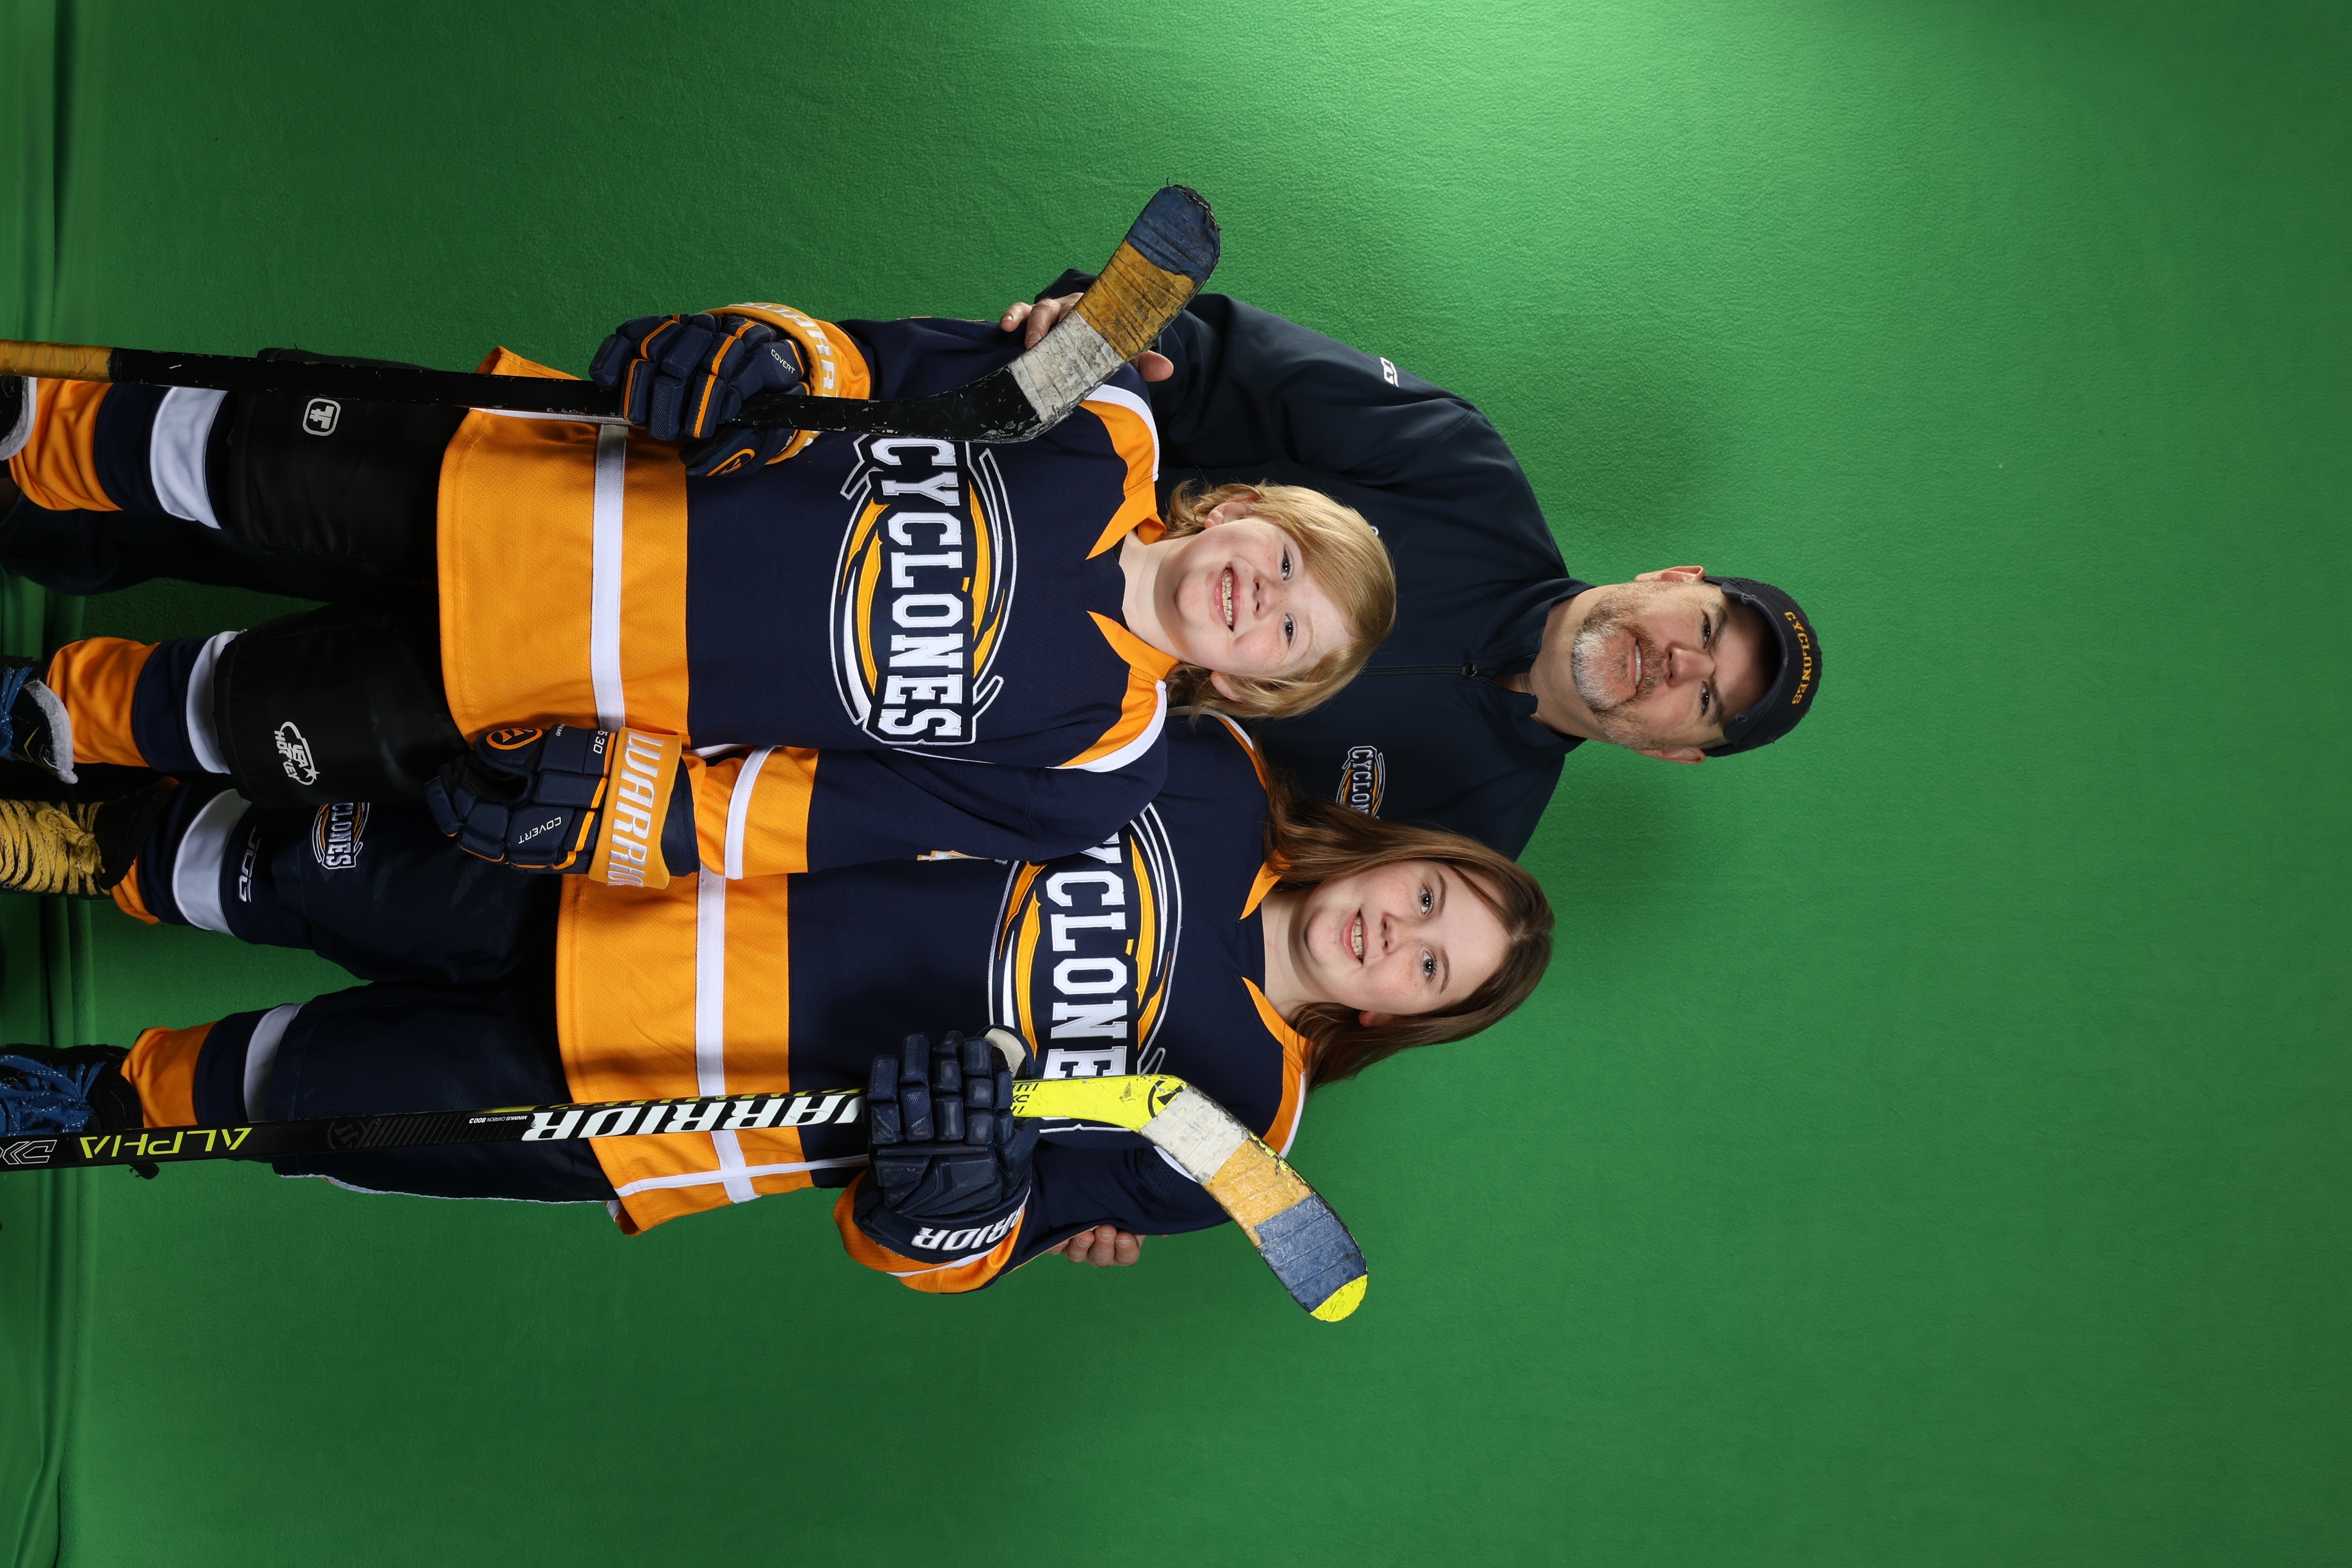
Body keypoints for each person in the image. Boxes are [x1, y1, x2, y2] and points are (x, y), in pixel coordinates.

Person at [0, 719, 1551, 1294]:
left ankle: (76, 1100)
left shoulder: (1238, 1135)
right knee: (277, 862)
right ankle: (52, 829)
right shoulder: (1206, 772)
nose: (1395, 934)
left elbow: (951, 1252)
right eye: (1429, 896)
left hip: (655, 1099)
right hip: (632, 878)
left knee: (295, 1097)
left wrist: (954, 1195)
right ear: (1400, 852)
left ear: (1402, 1018)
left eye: (1433, 967)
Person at [0, 306, 1394, 879]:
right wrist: (760, 354)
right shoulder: (1100, 419)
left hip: (552, 685)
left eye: (1287, 631)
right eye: (1284, 557)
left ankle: (49, 714)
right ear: (1247, 507)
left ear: (1252, 686)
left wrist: (634, 816)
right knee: (235, 456)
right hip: (546, 477)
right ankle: (31, 438)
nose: (1256, 594)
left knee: (234, 713)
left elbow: (822, 810)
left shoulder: (1099, 763)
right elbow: (869, 363)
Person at [1005, 284, 1828, 857]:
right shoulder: (1461, 467)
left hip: (993, 745)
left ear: (1675, 754)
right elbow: (1213, 364)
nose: (1682, 664)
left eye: (1709, 699)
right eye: (1707, 629)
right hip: (1004, 529)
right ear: (1673, 579)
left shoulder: (1459, 852)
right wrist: (1107, 337)